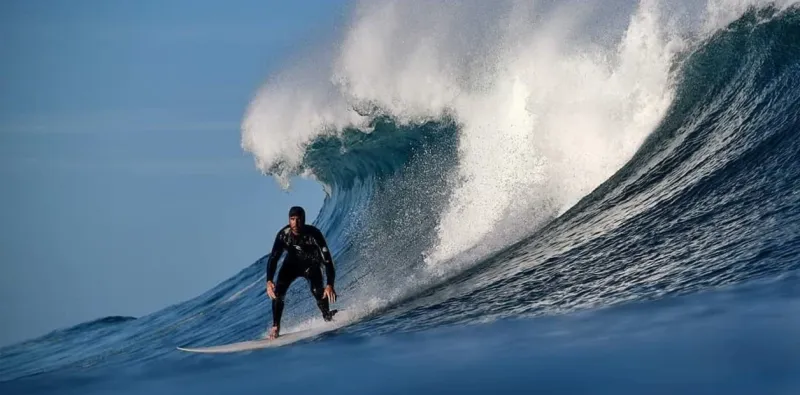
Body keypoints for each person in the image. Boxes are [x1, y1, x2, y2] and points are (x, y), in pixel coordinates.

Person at [265, 206, 337, 339]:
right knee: (278, 293)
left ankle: (327, 316)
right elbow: (273, 258)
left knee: (318, 292)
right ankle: (276, 326)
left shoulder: (314, 234)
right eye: (292, 219)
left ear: (303, 220)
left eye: (298, 219)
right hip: (290, 266)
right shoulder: (283, 235)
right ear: (289, 220)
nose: (295, 223)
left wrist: (330, 284)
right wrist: (269, 280)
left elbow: (327, 260)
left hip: (311, 266)